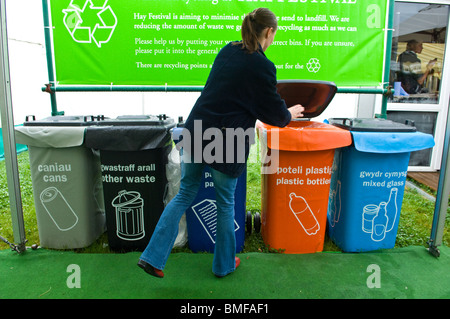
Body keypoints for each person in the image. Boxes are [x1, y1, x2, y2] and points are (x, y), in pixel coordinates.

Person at [137, 7, 304, 278]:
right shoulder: (263, 66)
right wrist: (290, 114)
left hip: (197, 129)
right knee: (225, 203)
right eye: (274, 34)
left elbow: (229, 93)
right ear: (269, 32)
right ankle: (223, 265)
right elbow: (273, 111)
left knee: (185, 193)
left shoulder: (228, 50)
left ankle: (152, 257)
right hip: (226, 140)